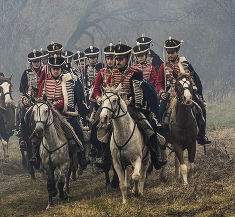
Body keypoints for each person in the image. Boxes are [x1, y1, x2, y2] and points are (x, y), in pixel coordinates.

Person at [103, 42, 167, 170]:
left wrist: (130, 102)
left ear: (127, 59)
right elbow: (110, 91)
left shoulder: (135, 73)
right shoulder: (112, 74)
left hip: (133, 109)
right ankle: (105, 158)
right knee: (102, 130)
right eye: (117, 59)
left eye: (120, 59)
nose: (117, 62)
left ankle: (156, 157)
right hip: (116, 109)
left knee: (149, 129)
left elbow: (140, 93)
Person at [36, 55, 90, 169]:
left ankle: (81, 157)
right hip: (47, 113)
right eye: (53, 69)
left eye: (58, 69)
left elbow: (68, 100)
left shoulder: (67, 82)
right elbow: (40, 98)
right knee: (36, 130)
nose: (55, 71)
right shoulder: (45, 82)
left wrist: (55, 105)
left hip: (63, 113)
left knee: (77, 130)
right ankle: (36, 156)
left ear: (61, 69)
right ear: (50, 69)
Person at [156, 37, 211, 145]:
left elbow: (195, 80)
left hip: (186, 93)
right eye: (168, 52)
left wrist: (196, 93)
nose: (170, 55)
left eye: (172, 52)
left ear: (177, 52)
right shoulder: (163, 66)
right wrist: (162, 92)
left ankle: (201, 135)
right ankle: (162, 137)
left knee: (201, 110)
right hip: (170, 94)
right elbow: (159, 83)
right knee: (160, 111)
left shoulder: (185, 64)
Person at [89, 43, 117, 167]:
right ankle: (100, 152)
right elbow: (96, 89)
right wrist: (98, 98)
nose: (110, 61)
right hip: (105, 104)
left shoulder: (119, 72)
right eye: (108, 59)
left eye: (112, 58)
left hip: (118, 104)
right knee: (95, 127)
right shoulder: (101, 73)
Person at [18, 50, 43, 150]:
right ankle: (23, 138)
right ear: (31, 63)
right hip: (29, 100)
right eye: (34, 61)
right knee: (24, 113)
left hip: (42, 99)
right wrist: (25, 98)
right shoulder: (26, 73)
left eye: (37, 61)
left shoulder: (44, 72)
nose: (36, 63)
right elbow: (22, 89)